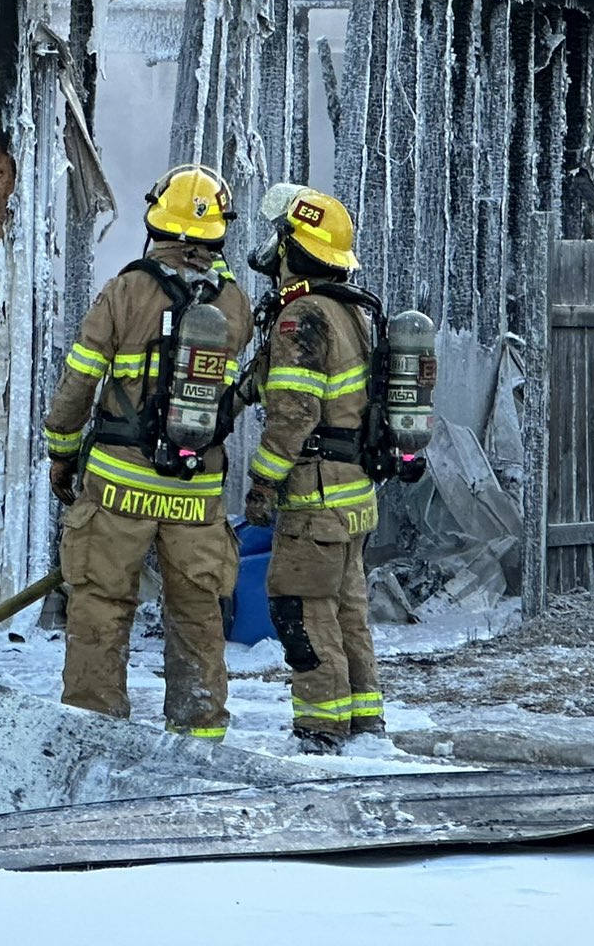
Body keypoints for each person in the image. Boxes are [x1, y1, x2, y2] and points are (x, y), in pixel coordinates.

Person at [42, 164, 250, 739]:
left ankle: (95, 732)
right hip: (197, 490)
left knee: (101, 609)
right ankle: (201, 734)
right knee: (197, 614)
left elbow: (79, 382)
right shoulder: (234, 304)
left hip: (119, 484)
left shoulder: (126, 289)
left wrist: (61, 451)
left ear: (157, 219)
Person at [242, 184, 384, 753]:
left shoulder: (302, 317)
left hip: (315, 497)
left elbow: (294, 414)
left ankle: (321, 731)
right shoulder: (349, 309)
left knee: (300, 609)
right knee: (347, 610)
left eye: (280, 241)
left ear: (294, 249)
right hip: (353, 497)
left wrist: (262, 483)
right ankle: (364, 724)